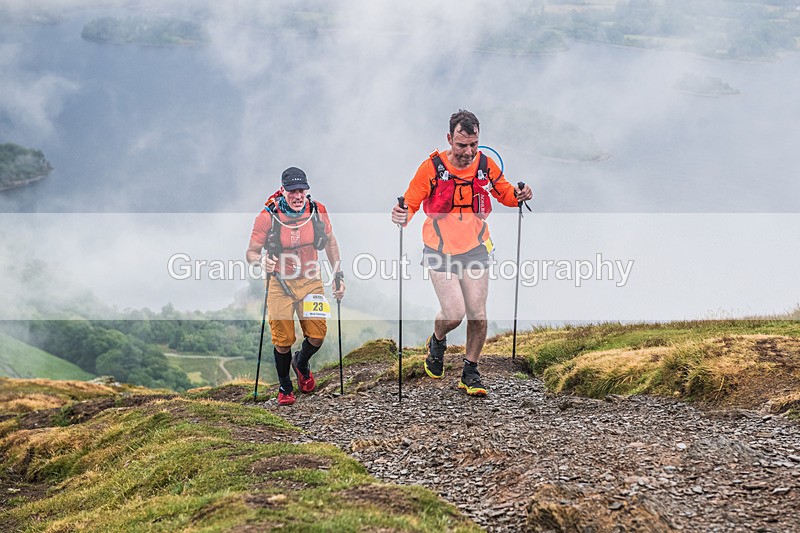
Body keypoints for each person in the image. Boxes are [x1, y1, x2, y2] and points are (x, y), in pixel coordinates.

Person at [391, 110, 532, 397]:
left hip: (477, 248)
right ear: (449, 139)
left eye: (473, 144)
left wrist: (519, 195)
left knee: (478, 315)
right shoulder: (431, 168)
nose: (468, 152)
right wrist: (401, 214)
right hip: (439, 250)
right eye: (461, 145)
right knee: (454, 313)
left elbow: (503, 193)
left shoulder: (485, 165)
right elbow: (412, 203)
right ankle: (438, 340)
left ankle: (470, 371)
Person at [247, 167, 345, 406]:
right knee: (282, 340)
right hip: (279, 282)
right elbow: (250, 252)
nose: (298, 196)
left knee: (317, 336)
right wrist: (261, 261)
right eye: (292, 191)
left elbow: (331, 241)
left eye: (302, 190)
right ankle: (285, 386)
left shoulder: (317, 211)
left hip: (311, 280)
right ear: (283, 191)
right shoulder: (267, 216)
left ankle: (300, 362)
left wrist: (337, 274)